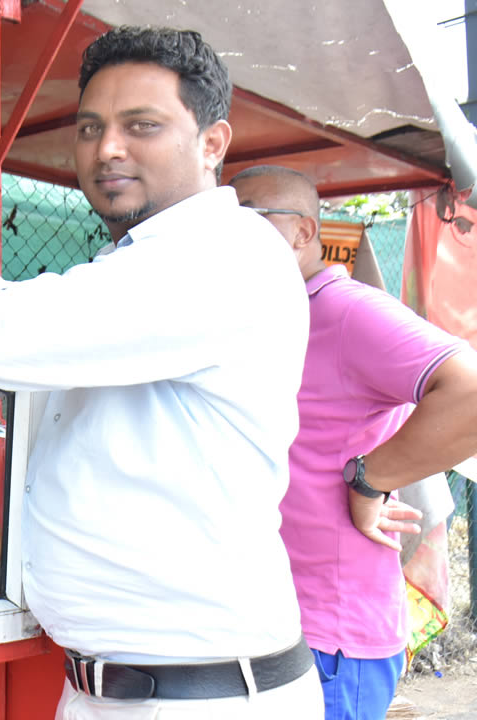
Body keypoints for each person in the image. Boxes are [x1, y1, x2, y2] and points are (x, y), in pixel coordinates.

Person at [0, 26, 322, 717]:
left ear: (212, 143)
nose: (107, 148)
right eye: (90, 127)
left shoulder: (222, 257)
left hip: (198, 696)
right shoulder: (138, 264)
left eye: (141, 125)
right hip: (110, 688)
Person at [228, 165, 477, 720]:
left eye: (249, 218)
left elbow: (469, 393)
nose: (230, 235)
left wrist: (369, 479)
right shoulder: (269, 320)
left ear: (303, 233)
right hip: (267, 622)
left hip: (330, 640)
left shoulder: (345, 311)